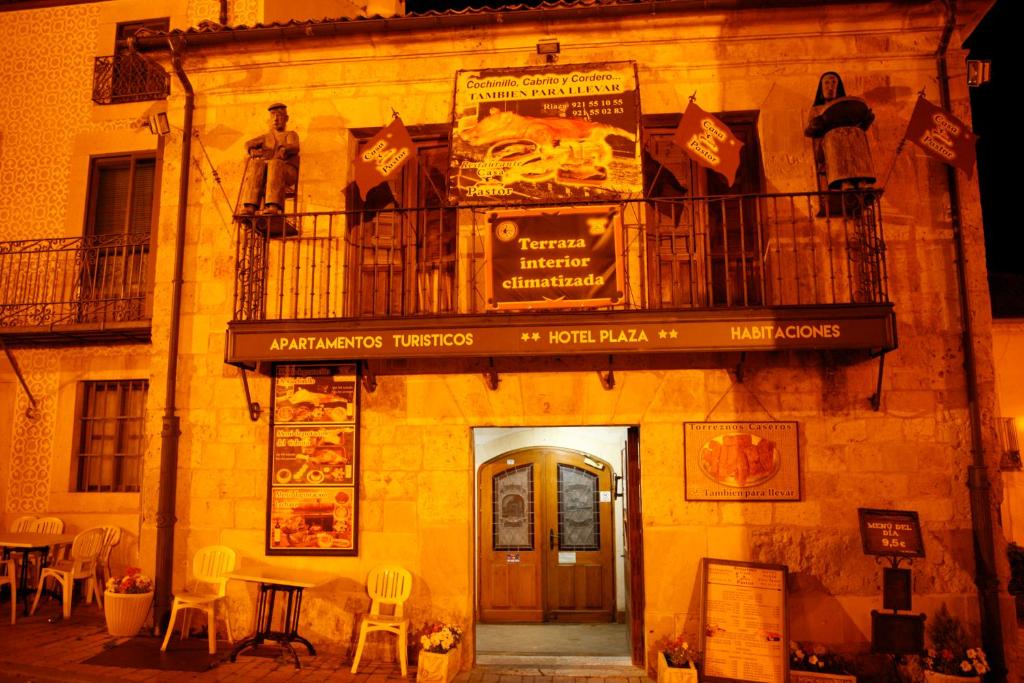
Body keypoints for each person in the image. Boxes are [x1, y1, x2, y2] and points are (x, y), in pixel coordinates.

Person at [804, 71, 875, 189]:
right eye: (826, 83)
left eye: (833, 83)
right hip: (827, 147)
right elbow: (808, 132)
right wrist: (814, 125)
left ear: (838, 87)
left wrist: (866, 121)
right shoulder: (816, 110)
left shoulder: (847, 109)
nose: (830, 87)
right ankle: (844, 181)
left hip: (849, 144)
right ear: (821, 88)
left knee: (856, 134)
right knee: (835, 137)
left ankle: (862, 179)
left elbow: (859, 127)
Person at [239, 103, 300, 215]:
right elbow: (248, 144)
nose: (276, 119)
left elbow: (295, 147)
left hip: (286, 170)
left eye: (279, 115)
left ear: (286, 119)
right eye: (273, 116)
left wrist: (284, 149)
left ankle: (273, 205)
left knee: (275, 164)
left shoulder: (290, 134)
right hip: (268, 171)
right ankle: (250, 206)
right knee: (256, 164)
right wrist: (251, 150)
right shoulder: (266, 137)